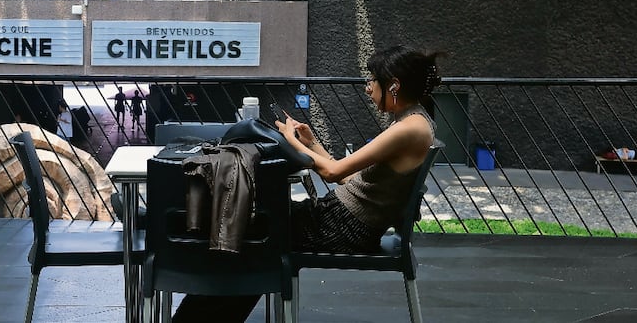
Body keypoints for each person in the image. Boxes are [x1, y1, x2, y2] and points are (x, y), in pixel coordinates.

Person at [170, 45, 442, 322]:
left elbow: (334, 173)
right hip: (340, 219)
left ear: (394, 86)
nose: (367, 88)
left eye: (371, 80)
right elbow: (346, 176)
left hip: (344, 227)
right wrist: (311, 143)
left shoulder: (409, 128)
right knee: (251, 226)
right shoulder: (412, 122)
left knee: (249, 230)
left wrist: (290, 140)